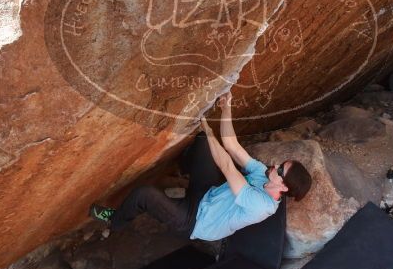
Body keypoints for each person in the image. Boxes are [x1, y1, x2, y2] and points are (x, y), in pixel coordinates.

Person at [90, 92, 313, 240]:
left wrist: (207, 127)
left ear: (283, 187)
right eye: (280, 164)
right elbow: (232, 147)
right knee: (203, 144)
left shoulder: (261, 206)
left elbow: (227, 166)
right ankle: (182, 175)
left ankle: (115, 220)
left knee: (143, 195)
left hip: (195, 221)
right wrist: (226, 109)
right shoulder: (265, 176)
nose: (274, 166)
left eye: (280, 170)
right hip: (207, 194)